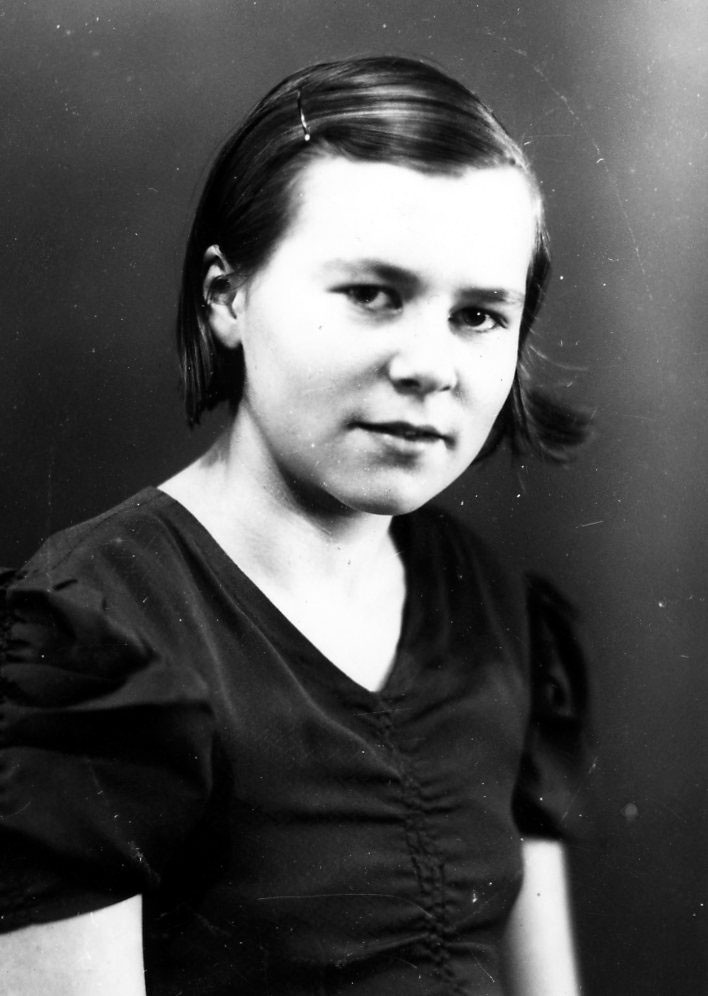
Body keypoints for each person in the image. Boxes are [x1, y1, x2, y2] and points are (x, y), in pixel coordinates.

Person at [0, 56, 591, 995]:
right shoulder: (92, 636)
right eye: (371, 294)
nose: (430, 366)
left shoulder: (491, 604)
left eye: (479, 316)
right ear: (226, 296)